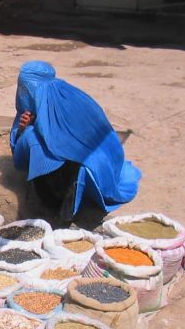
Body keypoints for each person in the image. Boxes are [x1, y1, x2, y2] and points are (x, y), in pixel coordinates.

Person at [10, 61, 141, 222]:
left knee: (32, 140)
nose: (23, 93)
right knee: (29, 135)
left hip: (94, 165)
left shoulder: (66, 101)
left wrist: (29, 132)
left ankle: (54, 201)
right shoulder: (39, 102)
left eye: (26, 88)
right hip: (92, 160)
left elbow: (71, 145)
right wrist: (23, 128)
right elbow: (19, 142)